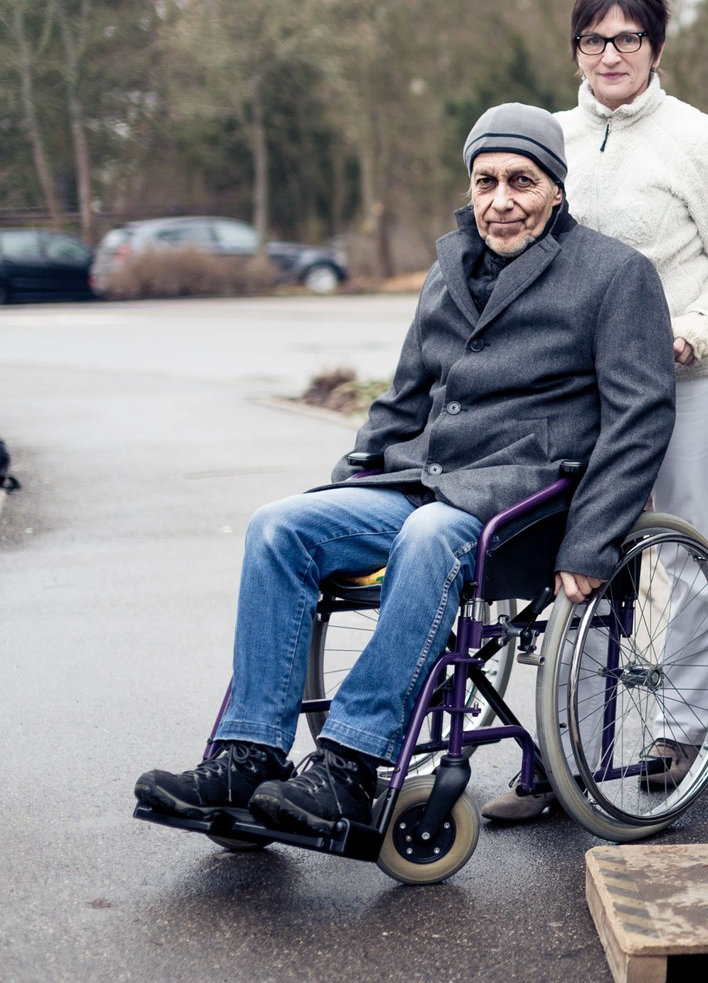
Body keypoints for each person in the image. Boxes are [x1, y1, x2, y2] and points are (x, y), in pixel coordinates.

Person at [135, 105, 677, 835]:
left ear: (555, 190)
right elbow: (404, 400)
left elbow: (639, 419)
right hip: (424, 484)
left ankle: (350, 766)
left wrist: (591, 543)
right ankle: (249, 754)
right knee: (280, 527)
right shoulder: (448, 267)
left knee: (430, 536)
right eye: (486, 181)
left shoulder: (616, 275)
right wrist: (348, 479)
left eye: (522, 180)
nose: (501, 200)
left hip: (528, 508)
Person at [482, 0, 708, 820]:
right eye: (592, 40)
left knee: (680, 557)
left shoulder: (699, 141)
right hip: (574, 393)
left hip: (678, 384)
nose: (609, 54)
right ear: (575, 48)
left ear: (654, 47)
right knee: (573, 562)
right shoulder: (553, 137)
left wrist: (697, 328)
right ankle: (561, 759)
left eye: (626, 39)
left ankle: (682, 735)